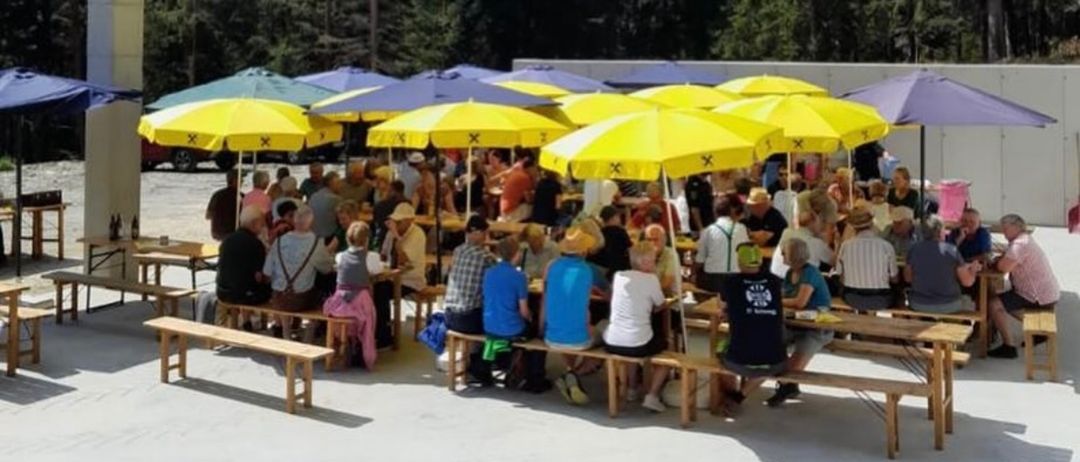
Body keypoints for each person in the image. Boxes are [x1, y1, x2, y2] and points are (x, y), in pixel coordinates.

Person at [541, 227, 611, 405]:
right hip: (579, 339)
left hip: (551, 336)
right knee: (604, 328)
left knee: (571, 326)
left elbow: (546, 296)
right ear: (584, 250)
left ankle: (570, 372)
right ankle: (575, 373)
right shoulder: (588, 270)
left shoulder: (552, 266)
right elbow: (608, 293)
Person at [716, 243, 786, 414]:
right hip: (777, 361)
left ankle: (731, 395)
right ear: (760, 261)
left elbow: (721, 306)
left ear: (739, 262)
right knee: (766, 359)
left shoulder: (730, 281)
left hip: (738, 361)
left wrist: (729, 311)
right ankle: (739, 396)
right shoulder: (775, 281)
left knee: (717, 351)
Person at [603, 242, 672, 413]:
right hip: (638, 342)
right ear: (645, 262)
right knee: (667, 352)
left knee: (632, 342)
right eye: (653, 261)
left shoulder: (619, 276)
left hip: (612, 340)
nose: (654, 264)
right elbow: (660, 304)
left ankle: (632, 388)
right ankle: (652, 395)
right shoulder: (651, 279)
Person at [769, 237, 833, 407]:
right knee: (771, 344)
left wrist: (775, 300)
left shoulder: (810, 273)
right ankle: (788, 386)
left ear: (792, 255)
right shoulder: (791, 273)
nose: (781, 256)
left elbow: (800, 302)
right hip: (796, 322)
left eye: (784, 253)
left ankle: (785, 386)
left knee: (796, 360)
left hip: (817, 326)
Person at [480, 236, 550, 391]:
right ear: (517, 254)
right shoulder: (519, 277)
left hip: (489, 325)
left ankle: (509, 362)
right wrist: (533, 318)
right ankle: (534, 377)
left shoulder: (489, 273)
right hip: (511, 328)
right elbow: (524, 311)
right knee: (539, 334)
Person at [987, 214, 1060, 359]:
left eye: (1005, 228)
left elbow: (1003, 268)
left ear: (1016, 226)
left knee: (994, 304)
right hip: (1047, 293)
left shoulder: (1020, 244)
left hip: (1037, 296)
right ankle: (1038, 331)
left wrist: (995, 262)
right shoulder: (1025, 239)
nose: (1003, 231)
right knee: (1004, 298)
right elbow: (1008, 259)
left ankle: (1009, 347)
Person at [262, 205, 334, 337]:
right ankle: (309, 336)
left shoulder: (279, 241)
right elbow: (327, 269)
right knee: (322, 292)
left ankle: (286, 333)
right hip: (302, 299)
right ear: (311, 222)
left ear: (294, 220)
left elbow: (267, 271)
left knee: (283, 290)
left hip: (279, 298)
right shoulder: (315, 242)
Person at [322, 222, 384, 368]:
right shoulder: (371, 257)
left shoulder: (340, 256)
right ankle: (363, 347)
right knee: (371, 314)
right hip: (360, 299)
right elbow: (377, 270)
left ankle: (348, 344)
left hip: (340, 301)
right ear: (367, 239)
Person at [905, 217, 982, 314]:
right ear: (940, 231)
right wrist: (973, 271)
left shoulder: (914, 250)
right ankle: (976, 329)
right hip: (949, 304)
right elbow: (967, 282)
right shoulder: (951, 250)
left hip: (919, 304)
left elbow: (908, 278)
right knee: (973, 304)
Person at [375, 202, 426, 346]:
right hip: (392, 276)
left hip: (410, 280)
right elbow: (383, 255)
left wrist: (396, 236)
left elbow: (404, 260)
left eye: (399, 221)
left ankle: (384, 335)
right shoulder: (391, 233)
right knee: (374, 289)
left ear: (410, 220)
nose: (396, 224)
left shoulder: (418, 234)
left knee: (381, 292)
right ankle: (377, 329)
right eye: (395, 221)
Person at [216, 207, 272, 328]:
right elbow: (259, 276)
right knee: (269, 287)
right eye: (261, 224)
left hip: (222, 291)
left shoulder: (227, 240)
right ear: (254, 223)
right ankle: (265, 325)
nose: (263, 227)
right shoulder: (256, 244)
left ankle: (246, 322)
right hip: (244, 296)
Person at [443, 215, 497, 334]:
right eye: (485, 233)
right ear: (478, 232)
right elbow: (497, 283)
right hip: (469, 319)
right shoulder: (486, 257)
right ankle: (478, 352)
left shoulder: (457, 250)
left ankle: (472, 351)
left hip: (449, 315)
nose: (486, 237)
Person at [836, 207, 898, 310]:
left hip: (852, 298)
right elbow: (895, 279)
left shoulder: (845, 246)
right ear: (871, 224)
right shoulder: (886, 246)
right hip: (881, 299)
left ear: (852, 227)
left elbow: (840, 276)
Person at [695, 194, 750, 294]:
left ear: (715, 212)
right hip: (736, 278)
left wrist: (693, 272)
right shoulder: (742, 228)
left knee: (696, 276)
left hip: (712, 280)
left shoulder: (708, 231)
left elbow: (700, 260)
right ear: (731, 211)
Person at [770, 211, 834, 278]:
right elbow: (836, 263)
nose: (821, 225)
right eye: (820, 222)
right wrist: (837, 243)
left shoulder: (787, 232)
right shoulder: (816, 243)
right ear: (812, 223)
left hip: (776, 277)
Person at [587, 206, 632, 279]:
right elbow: (630, 249)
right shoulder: (620, 232)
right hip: (618, 268)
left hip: (602, 268)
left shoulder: (600, 233)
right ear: (613, 218)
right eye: (618, 217)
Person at [206, 170, 242, 241]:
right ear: (235, 180)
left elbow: (208, 216)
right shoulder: (240, 196)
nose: (242, 181)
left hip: (217, 232)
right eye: (241, 179)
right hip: (233, 232)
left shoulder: (217, 195)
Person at [642, 224, 679, 295]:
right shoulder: (643, 254)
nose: (652, 243)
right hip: (650, 296)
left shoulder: (671, 255)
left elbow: (666, 283)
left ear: (664, 240)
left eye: (656, 239)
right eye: (649, 240)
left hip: (669, 297)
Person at [498, 153, 535, 223]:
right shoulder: (525, 178)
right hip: (510, 214)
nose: (536, 172)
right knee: (535, 208)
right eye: (535, 169)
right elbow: (529, 199)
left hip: (504, 211)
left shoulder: (517, 173)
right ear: (531, 168)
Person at [372, 178, 407, 251]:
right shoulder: (407, 204)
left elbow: (375, 222)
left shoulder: (380, 205)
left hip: (381, 238)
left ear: (392, 191)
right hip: (403, 238)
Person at [309, 171, 343, 240]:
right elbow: (342, 218)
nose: (341, 186)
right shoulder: (336, 199)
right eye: (338, 183)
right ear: (331, 184)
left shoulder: (314, 195)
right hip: (329, 236)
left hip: (312, 234)